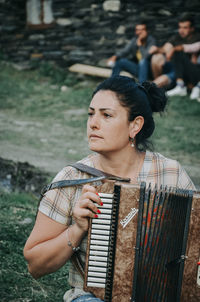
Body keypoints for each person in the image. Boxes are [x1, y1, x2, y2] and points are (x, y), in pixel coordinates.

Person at [23, 76, 195, 302]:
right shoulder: (73, 178)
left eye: (106, 115)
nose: (93, 123)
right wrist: (77, 229)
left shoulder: (169, 173)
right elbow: (35, 265)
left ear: (135, 125)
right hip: (92, 298)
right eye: (91, 113)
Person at [151, 14, 200, 98]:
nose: (181, 30)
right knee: (156, 57)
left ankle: (180, 86)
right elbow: (165, 48)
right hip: (176, 69)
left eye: (185, 28)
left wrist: (173, 49)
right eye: (180, 27)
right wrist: (157, 50)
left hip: (192, 72)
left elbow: (190, 50)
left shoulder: (197, 37)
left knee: (178, 52)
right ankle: (158, 88)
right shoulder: (177, 37)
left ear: (192, 28)